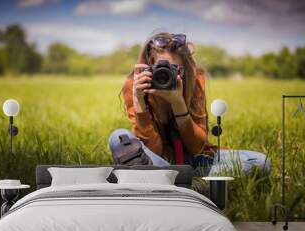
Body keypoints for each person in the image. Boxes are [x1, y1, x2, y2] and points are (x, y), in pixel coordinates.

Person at [108, 32, 270, 176]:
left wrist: (178, 103)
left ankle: (168, 180)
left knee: (260, 162)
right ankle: (185, 181)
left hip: (192, 159)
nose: (165, 75)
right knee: (118, 137)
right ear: (149, 67)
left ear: (185, 70)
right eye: (160, 68)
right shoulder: (135, 85)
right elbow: (153, 150)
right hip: (156, 159)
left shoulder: (194, 80)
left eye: (174, 69)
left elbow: (197, 147)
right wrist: (139, 103)